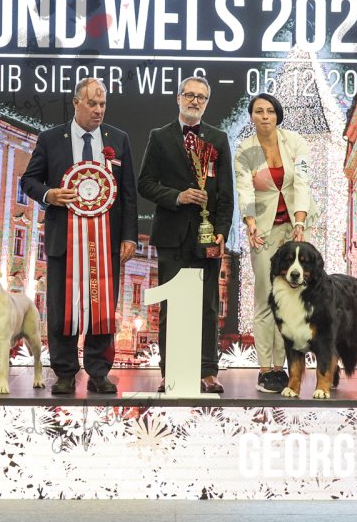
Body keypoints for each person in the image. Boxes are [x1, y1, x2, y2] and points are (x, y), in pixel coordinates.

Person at [20, 77, 137, 395]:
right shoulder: (50, 139)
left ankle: (99, 372)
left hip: (106, 241)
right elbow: (28, 181)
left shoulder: (119, 140)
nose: (99, 110)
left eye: (103, 104)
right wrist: (50, 195)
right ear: (76, 103)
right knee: (61, 307)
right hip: (64, 240)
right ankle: (65, 371)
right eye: (92, 103)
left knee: (103, 306)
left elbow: (128, 193)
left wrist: (129, 236)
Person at [138, 76, 233, 393]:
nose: (194, 101)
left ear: (207, 103)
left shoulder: (218, 139)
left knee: (208, 306)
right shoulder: (159, 137)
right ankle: (172, 371)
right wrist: (177, 197)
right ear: (178, 98)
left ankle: (208, 371)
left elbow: (226, 193)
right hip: (171, 235)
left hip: (208, 238)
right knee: (172, 306)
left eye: (201, 97)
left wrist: (222, 231)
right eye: (189, 95)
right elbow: (145, 184)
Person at [233, 93, 312, 393]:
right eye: (258, 111)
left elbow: (302, 183)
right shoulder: (246, 149)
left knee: (290, 301)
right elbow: (245, 190)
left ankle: (284, 366)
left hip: (294, 229)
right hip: (263, 232)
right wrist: (251, 224)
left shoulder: (295, 142)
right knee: (266, 298)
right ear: (252, 116)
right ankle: (266, 368)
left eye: (270, 111)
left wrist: (300, 223)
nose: (265, 116)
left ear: (277, 115)